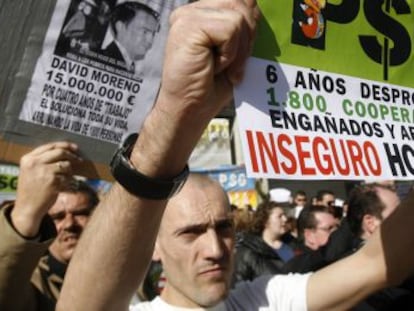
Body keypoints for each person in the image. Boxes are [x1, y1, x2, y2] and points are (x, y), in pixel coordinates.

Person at [57, 1, 414, 310]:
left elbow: (383, 261)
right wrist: (176, 112)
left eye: (225, 227)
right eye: (190, 233)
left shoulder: (264, 300)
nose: (215, 248)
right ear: (154, 248)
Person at [0, 142, 99, 311]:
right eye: (58, 217)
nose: (69, 224)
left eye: (80, 213)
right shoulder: (31, 280)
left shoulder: (132, 275)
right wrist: (26, 214)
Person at [233, 201, 294, 284]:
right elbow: (239, 285)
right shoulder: (248, 251)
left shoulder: (293, 243)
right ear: (265, 222)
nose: (285, 219)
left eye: (284, 215)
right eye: (279, 216)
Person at [103, 0, 160, 73]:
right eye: (145, 32)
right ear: (120, 27)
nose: (150, 41)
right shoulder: (99, 60)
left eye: (153, 34)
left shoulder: (129, 65)